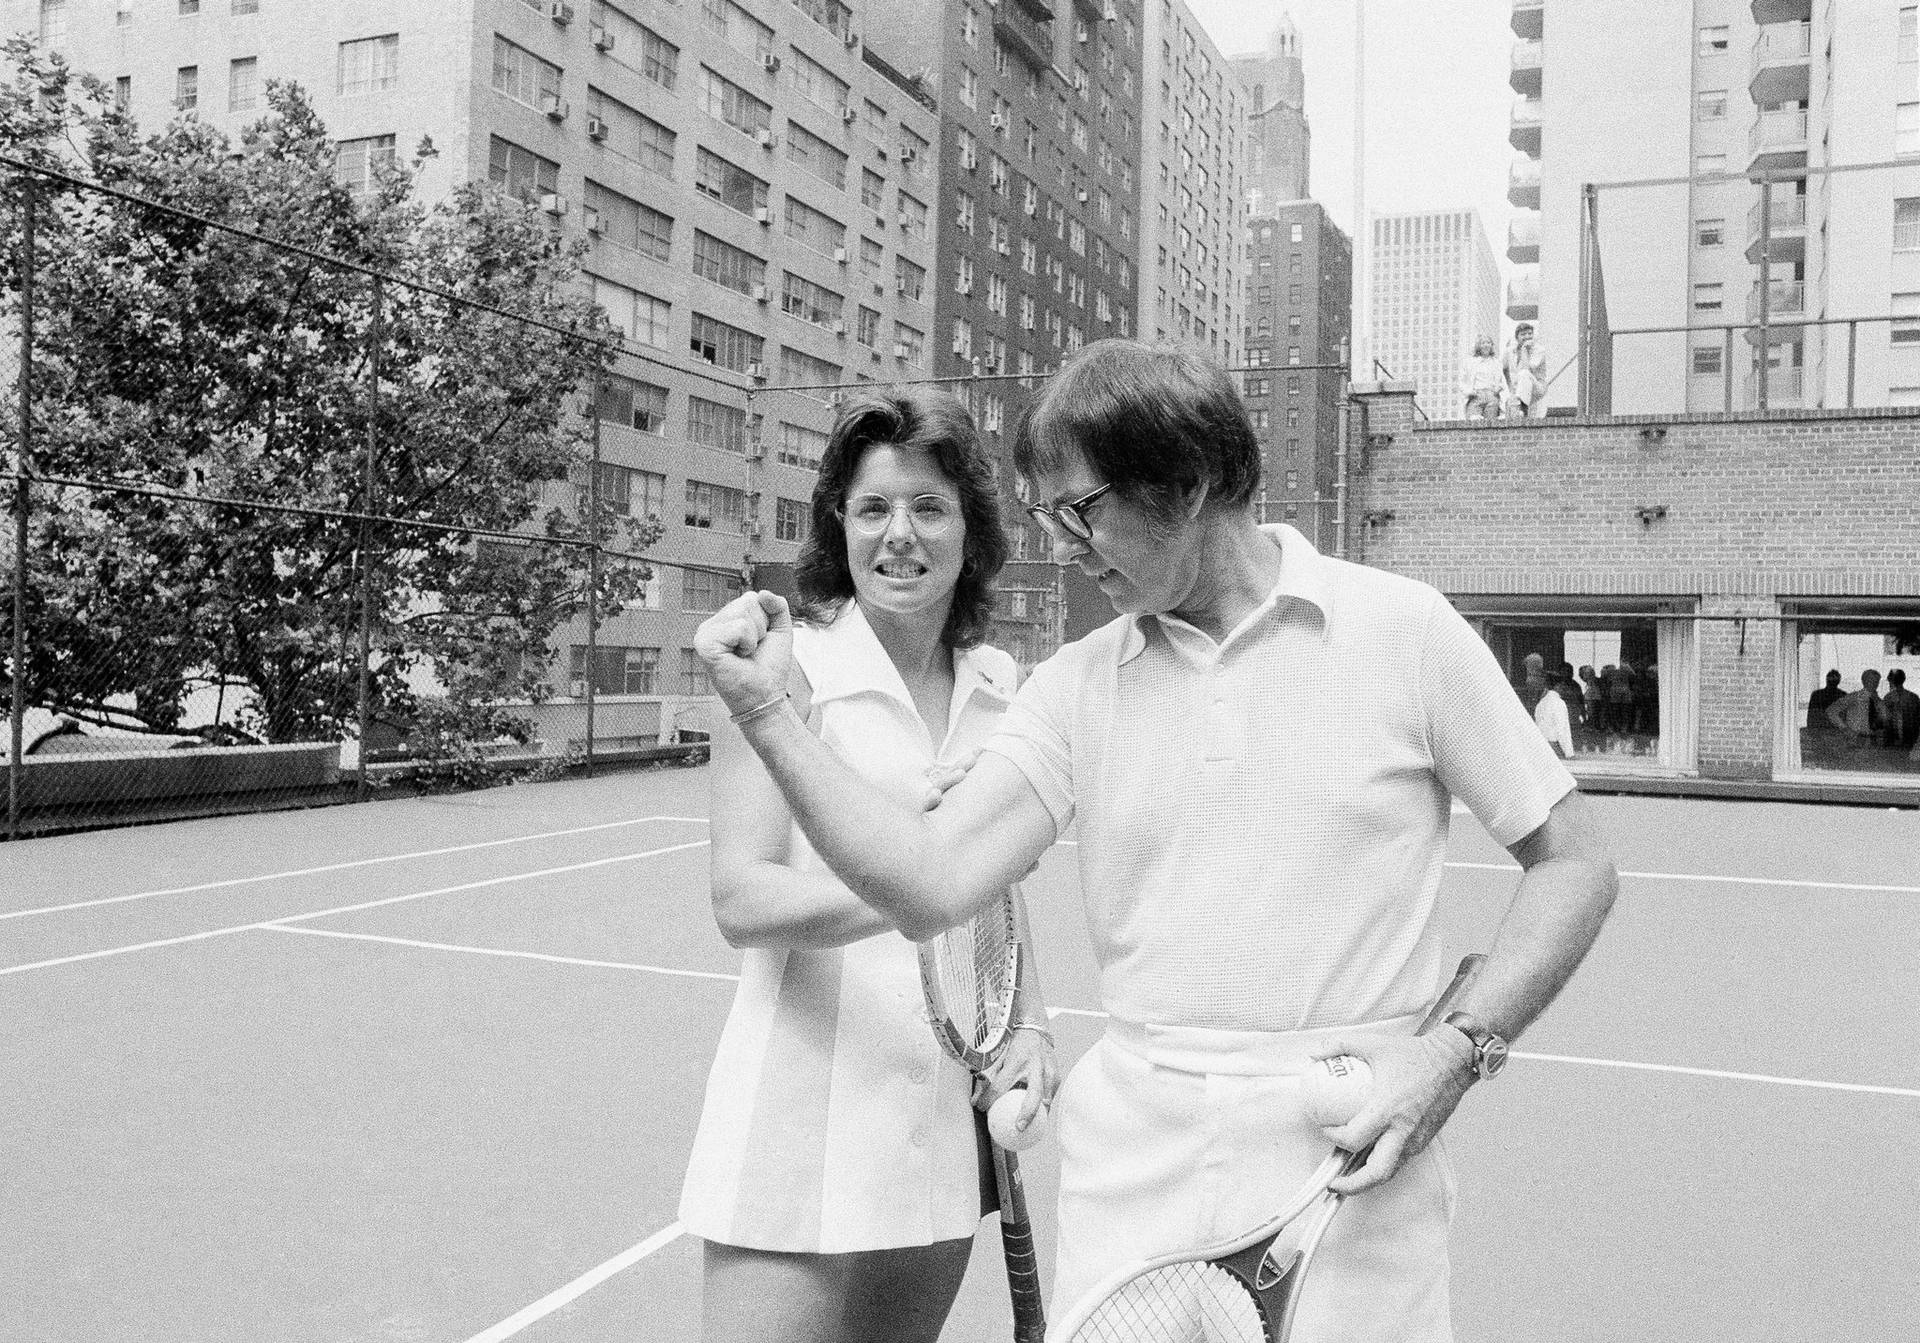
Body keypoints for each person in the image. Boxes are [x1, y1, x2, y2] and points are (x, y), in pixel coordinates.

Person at [693, 339, 1618, 1340]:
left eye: (1081, 509)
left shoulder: (1406, 630)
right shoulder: (1069, 687)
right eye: (1047, 517)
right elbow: (930, 884)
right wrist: (769, 711)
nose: (1065, 545)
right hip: (1131, 1165)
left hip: (1349, 1154)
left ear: (1190, 480)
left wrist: (1452, 1052)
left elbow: (1575, 862)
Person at [678, 389, 1057, 1343]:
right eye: (873, 508)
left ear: (971, 530)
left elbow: (993, 896)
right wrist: (914, 883)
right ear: (837, 525)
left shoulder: (1000, 688)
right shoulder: (778, 671)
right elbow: (742, 895)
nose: (901, 535)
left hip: (934, 1132)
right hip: (795, 1120)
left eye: (930, 507)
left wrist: (1032, 1025)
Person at [1825, 669, 1884, 750]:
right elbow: (1831, 711)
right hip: (1855, 740)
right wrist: (1844, 728)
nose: (1875, 683)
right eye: (1871, 680)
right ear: (1864, 681)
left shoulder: (1879, 701)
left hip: (1873, 741)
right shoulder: (1854, 697)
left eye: (1877, 681)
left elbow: (1885, 718)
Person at [1501, 322, 1548, 419]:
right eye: (1523, 334)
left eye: (1530, 333)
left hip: (1536, 388)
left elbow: (1527, 369)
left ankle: (1522, 407)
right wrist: (1510, 386)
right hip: (1517, 389)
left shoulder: (1539, 350)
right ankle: (1519, 408)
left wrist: (1524, 350)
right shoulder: (1510, 351)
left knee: (1524, 373)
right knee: (1509, 405)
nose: (1527, 336)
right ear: (1517, 337)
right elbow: (1504, 368)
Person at [1533, 666, 1575, 759]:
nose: (1565, 688)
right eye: (1563, 685)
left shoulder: (1541, 703)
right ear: (1558, 685)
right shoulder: (1559, 703)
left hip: (1540, 747)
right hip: (1554, 747)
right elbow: (1562, 730)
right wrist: (1569, 753)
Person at [1460, 336, 1503, 421]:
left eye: (1488, 343)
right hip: (1476, 395)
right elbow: (1462, 381)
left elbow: (1502, 380)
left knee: (1490, 424)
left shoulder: (1496, 362)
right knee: (1474, 421)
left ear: (1491, 345)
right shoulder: (1470, 362)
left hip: (1492, 395)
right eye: (1483, 343)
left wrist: (1499, 388)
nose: (1486, 345)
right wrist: (1469, 391)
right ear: (1478, 346)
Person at [1881, 668, 1919, 752]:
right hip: (1910, 742)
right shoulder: (1914, 697)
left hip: (1892, 743)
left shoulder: (1888, 698)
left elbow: (1885, 720)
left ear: (1890, 681)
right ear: (1904, 679)